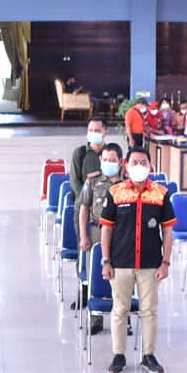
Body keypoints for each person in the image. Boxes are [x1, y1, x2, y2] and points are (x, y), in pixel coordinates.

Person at [99, 147, 175, 373]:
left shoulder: (161, 193)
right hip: (120, 263)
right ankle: (118, 355)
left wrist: (165, 262)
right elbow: (106, 229)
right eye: (135, 162)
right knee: (120, 310)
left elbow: (168, 232)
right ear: (126, 165)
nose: (139, 166)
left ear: (150, 166)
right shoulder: (115, 192)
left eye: (144, 162)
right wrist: (105, 260)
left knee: (149, 311)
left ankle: (148, 355)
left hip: (151, 264)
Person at [78, 143, 124, 335]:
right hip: (97, 231)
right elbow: (84, 208)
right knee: (95, 274)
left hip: (122, 234)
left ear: (120, 162)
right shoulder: (92, 182)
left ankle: (124, 317)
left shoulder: (128, 183)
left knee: (122, 276)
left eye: (112, 160)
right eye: (105, 160)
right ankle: (95, 318)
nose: (108, 163)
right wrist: (83, 235)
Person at [68, 117, 108, 202]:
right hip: (83, 201)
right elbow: (74, 181)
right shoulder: (79, 153)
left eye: (97, 131)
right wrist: (85, 201)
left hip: (106, 202)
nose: (93, 133)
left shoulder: (112, 153)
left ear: (105, 132)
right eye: (90, 130)